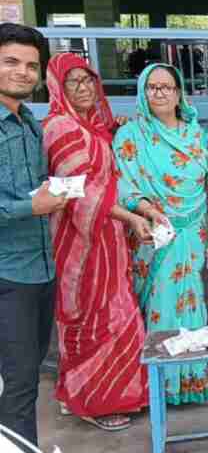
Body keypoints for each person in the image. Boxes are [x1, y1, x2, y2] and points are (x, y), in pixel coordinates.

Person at [42, 53, 150, 431]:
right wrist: (133, 217)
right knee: (92, 317)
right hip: (80, 242)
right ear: (57, 88)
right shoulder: (59, 128)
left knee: (113, 312)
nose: (84, 88)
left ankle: (96, 393)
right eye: (74, 83)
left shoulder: (91, 127)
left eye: (88, 80)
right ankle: (92, 400)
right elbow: (81, 193)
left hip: (108, 238)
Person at [113, 64, 208, 405]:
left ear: (179, 94)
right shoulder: (130, 136)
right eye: (152, 87)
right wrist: (149, 211)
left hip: (193, 231)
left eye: (166, 87)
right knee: (159, 307)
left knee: (191, 305)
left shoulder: (196, 135)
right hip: (154, 234)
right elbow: (124, 184)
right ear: (143, 93)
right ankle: (161, 386)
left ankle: (191, 380)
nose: (159, 93)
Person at [0, 23, 67, 452]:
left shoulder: (29, 124)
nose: (22, 72)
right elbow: (24, 203)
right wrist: (33, 207)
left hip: (41, 267)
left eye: (31, 65)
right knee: (20, 384)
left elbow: (34, 187)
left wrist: (55, 191)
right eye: (10, 62)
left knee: (26, 380)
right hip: (8, 277)